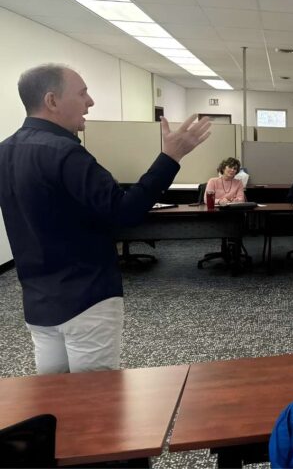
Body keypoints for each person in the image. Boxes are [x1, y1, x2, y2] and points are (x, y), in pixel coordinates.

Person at [0, 64, 211, 374]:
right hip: (86, 298)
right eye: (82, 93)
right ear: (52, 101)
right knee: (95, 404)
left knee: (51, 398)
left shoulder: (5, 151)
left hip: (38, 301)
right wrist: (170, 157)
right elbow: (125, 212)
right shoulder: (66, 153)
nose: (91, 102)